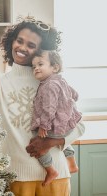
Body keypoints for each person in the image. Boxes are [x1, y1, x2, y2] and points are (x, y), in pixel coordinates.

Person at [0, 16, 85, 196]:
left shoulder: (54, 82)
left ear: (41, 50)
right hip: (14, 176)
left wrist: (51, 142)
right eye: (19, 41)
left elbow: (80, 126)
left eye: (31, 45)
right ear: (11, 41)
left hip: (56, 176)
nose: (22, 48)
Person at [31, 50, 82, 186]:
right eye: (34, 66)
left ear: (55, 67)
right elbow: (74, 94)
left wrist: (43, 126)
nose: (36, 68)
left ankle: (51, 170)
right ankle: (72, 163)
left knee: (37, 144)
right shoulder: (60, 80)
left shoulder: (49, 86)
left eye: (40, 64)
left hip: (55, 124)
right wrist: (72, 98)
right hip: (68, 124)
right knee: (62, 137)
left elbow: (49, 108)